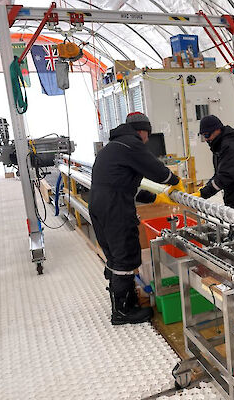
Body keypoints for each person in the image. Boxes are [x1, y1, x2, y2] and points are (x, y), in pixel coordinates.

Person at [89, 112, 185, 325]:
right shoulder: (131, 144)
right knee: (125, 255)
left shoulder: (114, 147)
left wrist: (154, 197)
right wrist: (175, 181)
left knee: (115, 256)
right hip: (115, 209)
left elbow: (124, 185)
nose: (147, 139)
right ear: (142, 131)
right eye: (147, 134)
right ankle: (122, 312)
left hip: (100, 205)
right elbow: (157, 171)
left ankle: (126, 302)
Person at [192, 115, 234, 215]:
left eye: (207, 135)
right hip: (233, 195)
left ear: (217, 130)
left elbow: (224, 177)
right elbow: (219, 174)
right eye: (203, 136)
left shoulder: (232, 147)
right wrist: (204, 188)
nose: (206, 139)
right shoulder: (219, 147)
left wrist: (203, 193)